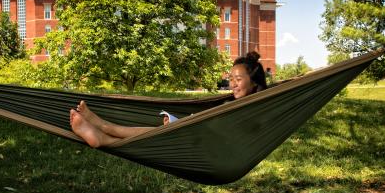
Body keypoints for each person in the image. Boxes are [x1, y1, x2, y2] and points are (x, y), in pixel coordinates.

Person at [70, 50, 267, 148]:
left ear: (255, 83)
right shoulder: (234, 103)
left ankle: (104, 130)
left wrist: (184, 123)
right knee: (160, 132)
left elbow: (232, 135)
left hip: (209, 148)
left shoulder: (259, 108)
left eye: (238, 79)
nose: (232, 84)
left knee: (162, 134)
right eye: (230, 79)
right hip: (200, 139)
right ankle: (103, 134)